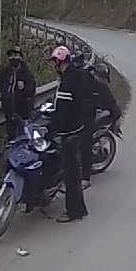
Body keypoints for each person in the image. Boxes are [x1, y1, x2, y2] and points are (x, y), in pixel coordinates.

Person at [45, 45, 92, 223]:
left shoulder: (67, 81)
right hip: (77, 128)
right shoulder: (76, 76)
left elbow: (63, 112)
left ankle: (73, 211)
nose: (53, 65)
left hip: (70, 132)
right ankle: (80, 209)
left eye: (54, 62)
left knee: (71, 176)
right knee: (74, 174)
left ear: (59, 61)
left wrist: (50, 130)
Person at [80, 62, 123, 186]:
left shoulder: (101, 87)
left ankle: (85, 178)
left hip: (88, 117)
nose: (103, 81)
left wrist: (117, 116)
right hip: (75, 113)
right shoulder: (81, 78)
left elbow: (111, 101)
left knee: (85, 143)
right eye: (102, 78)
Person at [0, 46, 36, 141]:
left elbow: (31, 89)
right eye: (11, 55)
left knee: (23, 136)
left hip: (22, 112)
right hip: (9, 111)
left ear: (21, 57)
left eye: (16, 55)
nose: (13, 58)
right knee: (11, 137)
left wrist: (24, 90)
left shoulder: (26, 73)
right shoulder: (6, 72)